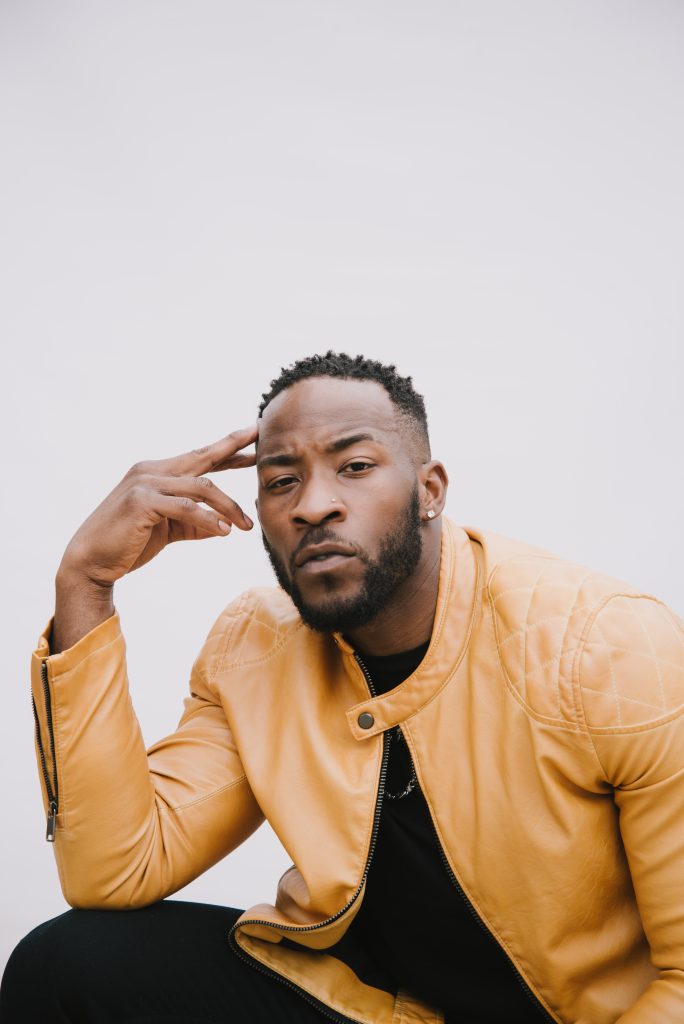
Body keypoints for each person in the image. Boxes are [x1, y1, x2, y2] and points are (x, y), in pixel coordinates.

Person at [2, 351, 684, 1024]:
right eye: (281, 480)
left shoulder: (604, 646)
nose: (313, 505)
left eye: (355, 467)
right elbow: (115, 871)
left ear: (430, 490)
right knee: (66, 965)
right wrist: (86, 583)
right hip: (386, 1012)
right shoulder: (254, 647)